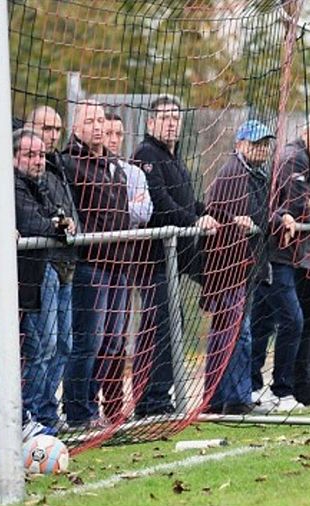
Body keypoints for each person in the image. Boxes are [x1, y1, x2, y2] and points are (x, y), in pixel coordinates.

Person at [132, 95, 218, 418]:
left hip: (176, 257)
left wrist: (214, 214)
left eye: (176, 117)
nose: (172, 122)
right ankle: (150, 401)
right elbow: (160, 204)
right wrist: (195, 221)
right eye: (165, 117)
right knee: (160, 328)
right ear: (151, 122)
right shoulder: (146, 154)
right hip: (153, 258)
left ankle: (158, 397)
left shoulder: (175, 156)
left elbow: (187, 201)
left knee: (172, 326)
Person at [251, 109, 310, 409]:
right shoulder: (292, 158)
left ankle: (254, 386)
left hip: (288, 255)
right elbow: (296, 206)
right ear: (305, 132)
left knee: (264, 321)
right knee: (291, 320)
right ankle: (280, 389)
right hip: (274, 252)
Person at [61, 100, 131, 429]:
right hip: (91, 263)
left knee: (111, 342)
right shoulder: (69, 164)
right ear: (75, 128)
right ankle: (78, 411)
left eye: (101, 119)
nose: (98, 126)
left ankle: (94, 406)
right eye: (90, 121)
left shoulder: (113, 165)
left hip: (120, 263)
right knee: (87, 341)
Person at [201, 120, 274, 415]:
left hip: (245, 266)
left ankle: (219, 398)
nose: (262, 149)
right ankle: (234, 398)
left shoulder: (257, 174)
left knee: (232, 332)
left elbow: (262, 215)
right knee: (235, 334)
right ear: (240, 144)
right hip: (230, 267)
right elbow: (220, 215)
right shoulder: (233, 173)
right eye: (256, 144)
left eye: (265, 144)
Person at [12, 129, 74, 431]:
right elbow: (34, 223)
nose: (38, 160)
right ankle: (28, 415)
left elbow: (57, 219)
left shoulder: (43, 183)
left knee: (62, 344)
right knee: (41, 347)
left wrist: (61, 223)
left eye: (40, 154)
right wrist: (55, 225)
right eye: (29, 155)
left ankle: (44, 413)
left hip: (55, 268)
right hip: (32, 275)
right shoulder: (11, 185)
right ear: (13, 158)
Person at [97, 111, 154, 420]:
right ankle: (83, 406)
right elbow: (113, 211)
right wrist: (124, 207)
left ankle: (115, 406)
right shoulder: (90, 169)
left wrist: (120, 208)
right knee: (94, 337)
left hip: (124, 262)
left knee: (118, 337)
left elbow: (145, 211)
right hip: (95, 264)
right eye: (108, 133)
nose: (114, 139)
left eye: (119, 134)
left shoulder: (133, 172)